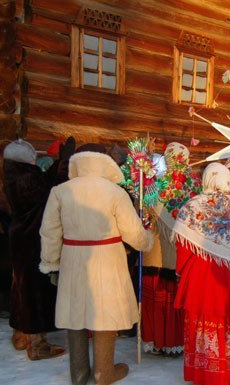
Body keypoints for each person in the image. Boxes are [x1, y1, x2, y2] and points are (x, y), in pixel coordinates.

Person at [40, 148, 154, 385]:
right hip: (107, 258)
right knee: (105, 313)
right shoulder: (115, 192)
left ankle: (79, 375)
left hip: (72, 258)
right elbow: (133, 233)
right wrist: (147, 241)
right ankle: (104, 372)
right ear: (104, 164)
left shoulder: (60, 191)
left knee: (75, 314)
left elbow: (49, 232)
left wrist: (51, 263)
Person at [173, 162, 230, 385]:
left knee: (205, 320)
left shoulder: (192, 206)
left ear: (206, 179)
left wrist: (181, 271)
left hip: (202, 273)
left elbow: (183, 247)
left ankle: (208, 372)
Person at [3, 139, 65, 360]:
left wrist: (59, 162)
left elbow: (44, 184)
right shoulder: (27, 177)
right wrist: (62, 165)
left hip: (20, 236)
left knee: (20, 286)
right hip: (31, 239)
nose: (34, 158)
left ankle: (20, 335)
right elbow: (51, 190)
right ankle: (37, 344)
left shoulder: (14, 174)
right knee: (33, 289)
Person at [142, 142, 200, 356]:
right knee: (178, 292)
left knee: (159, 294)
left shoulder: (156, 185)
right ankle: (180, 340)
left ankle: (158, 339)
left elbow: (145, 213)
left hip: (157, 248)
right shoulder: (195, 185)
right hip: (185, 247)